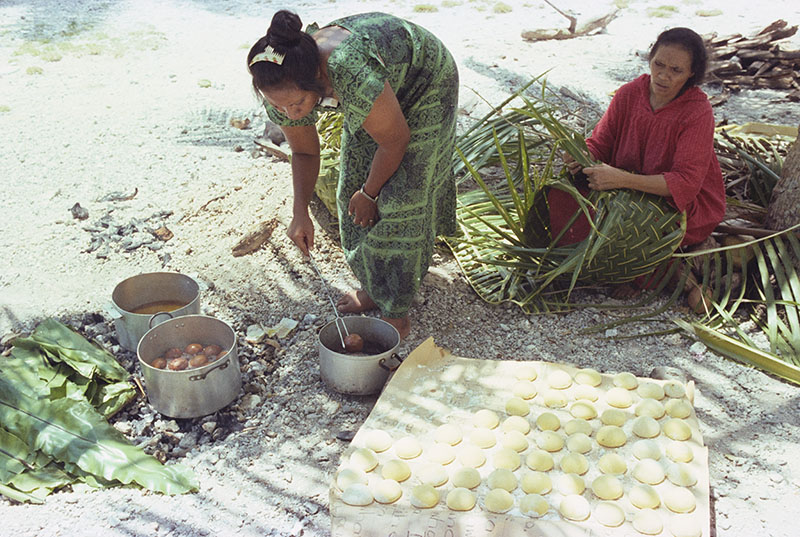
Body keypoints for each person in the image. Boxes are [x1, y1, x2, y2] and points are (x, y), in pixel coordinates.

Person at [247, 11, 459, 339]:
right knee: (351, 193)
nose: (290, 113)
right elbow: (304, 152)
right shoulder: (280, 84)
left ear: (315, 78)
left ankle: (396, 313)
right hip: (381, 84)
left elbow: (396, 140)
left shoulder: (349, 70)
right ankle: (378, 287)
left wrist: (371, 193)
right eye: (281, 108)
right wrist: (300, 212)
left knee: (403, 199)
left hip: (424, 81)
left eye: (298, 103)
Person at [551, 27, 726, 298]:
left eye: (676, 70)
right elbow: (600, 143)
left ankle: (646, 274)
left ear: (692, 73)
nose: (664, 76)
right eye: (659, 64)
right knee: (563, 199)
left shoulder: (697, 111)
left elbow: (686, 184)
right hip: (626, 188)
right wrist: (579, 153)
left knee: (633, 224)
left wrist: (621, 179)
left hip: (678, 204)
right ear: (650, 58)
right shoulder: (630, 94)